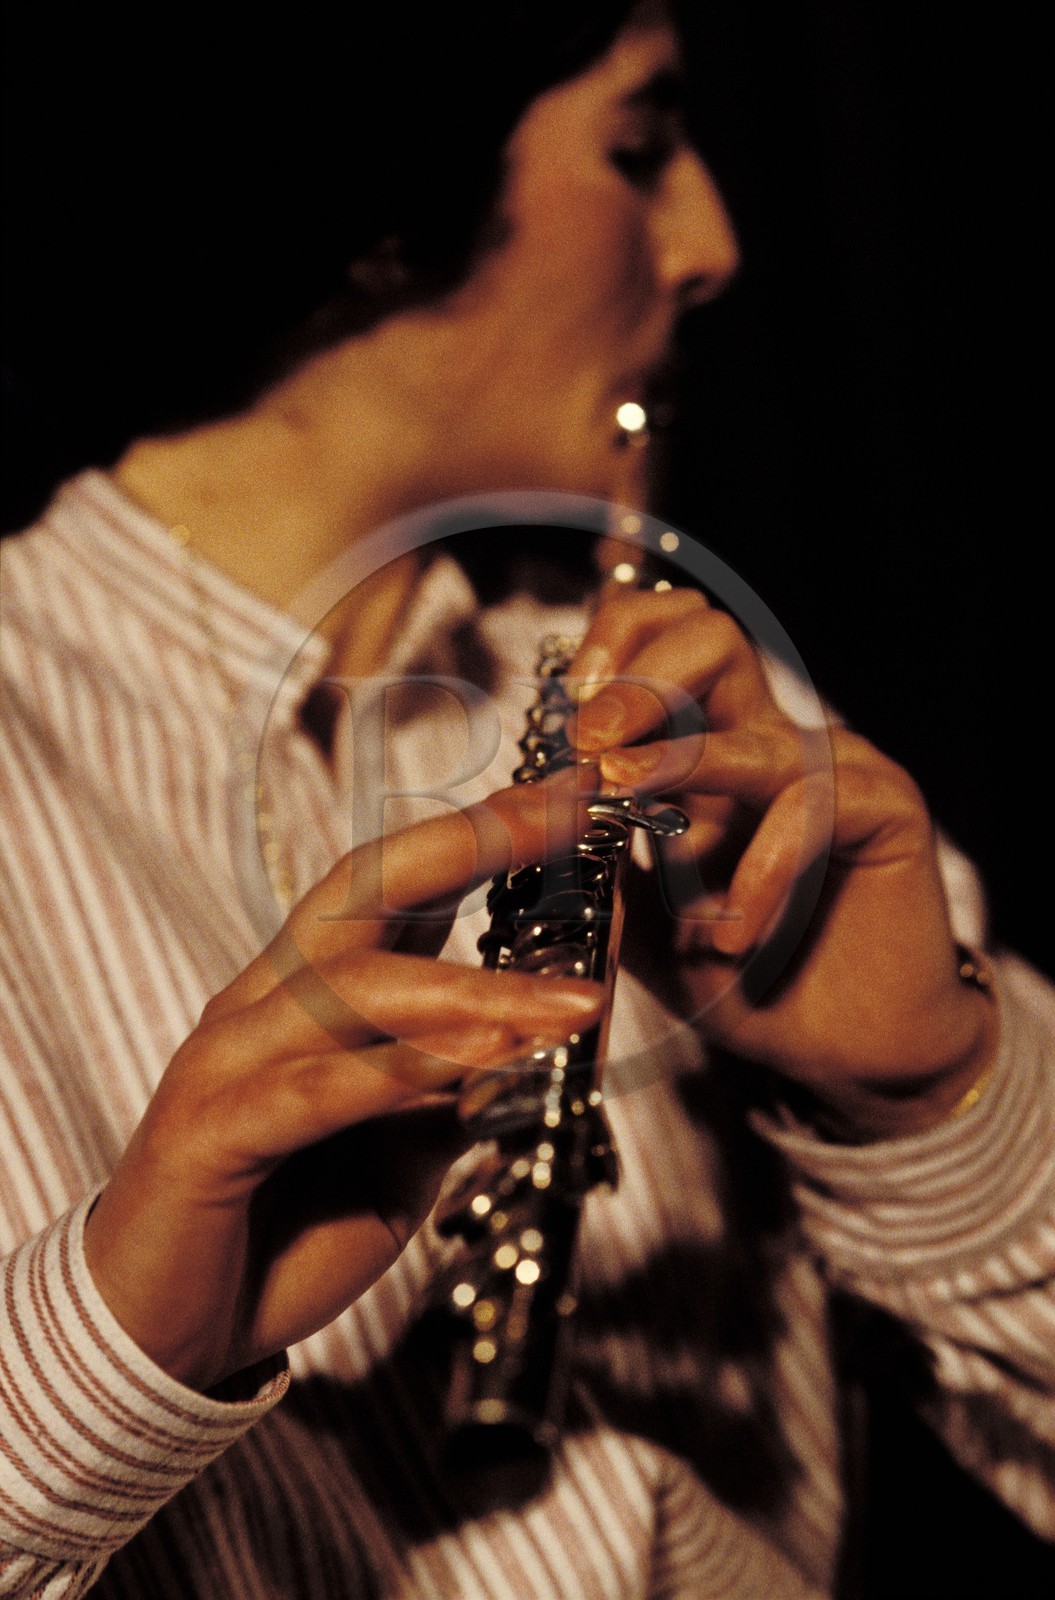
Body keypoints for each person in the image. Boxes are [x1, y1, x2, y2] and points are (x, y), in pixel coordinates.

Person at [1, 4, 1052, 1597]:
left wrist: (935, 1104)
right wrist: (104, 1364)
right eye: (637, 148)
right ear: (383, 193)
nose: (709, 243)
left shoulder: (702, 726)